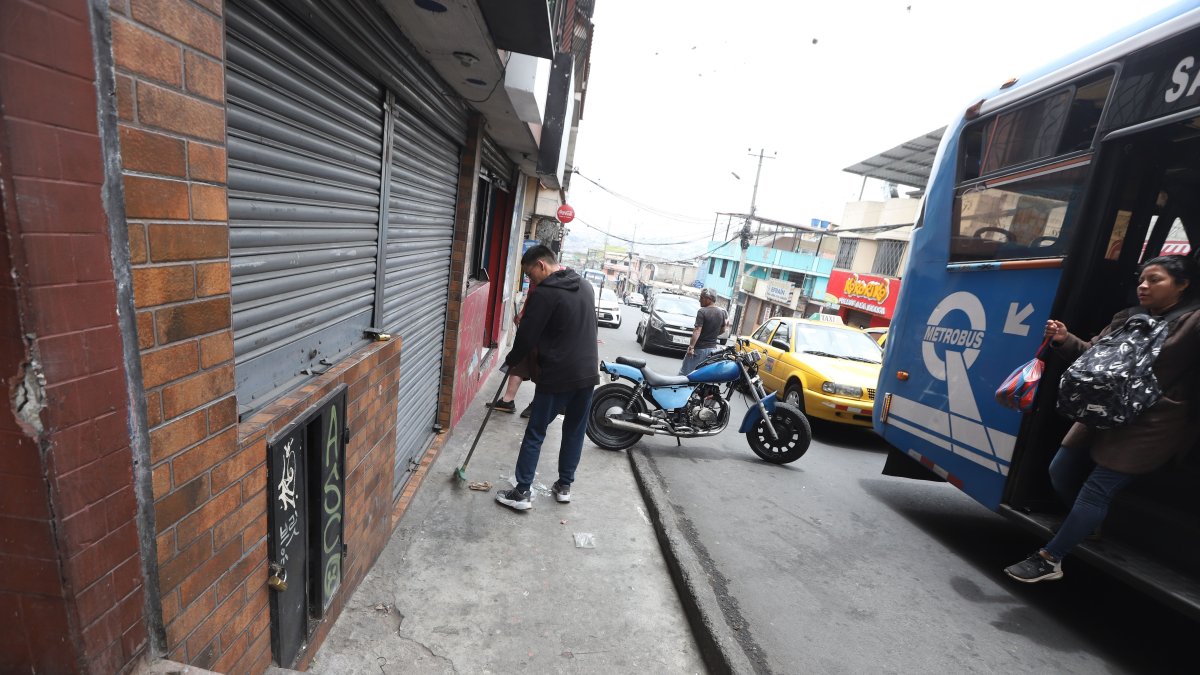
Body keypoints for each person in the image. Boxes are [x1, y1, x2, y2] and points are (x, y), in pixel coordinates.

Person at [1004, 254, 1200, 583]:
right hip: (1102, 410)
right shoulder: (1129, 317)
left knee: (1096, 490)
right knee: (1060, 469)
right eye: (1142, 279)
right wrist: (1064, 339)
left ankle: (1050, 559)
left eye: (1155, 280)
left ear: (1182, 285)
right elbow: (1090, 354)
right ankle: (1088, 524)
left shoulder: (1192, 323)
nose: (1143, 286)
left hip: (1151, 423)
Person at [495, 245, 599, 511]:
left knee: (535, 432)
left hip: (557, 374)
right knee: (574, 431)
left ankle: (521, 492)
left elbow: (527, 336)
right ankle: (564, 486)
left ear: (541, 265)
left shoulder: (545, 293)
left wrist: (512, 360)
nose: (531, 281)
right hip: (587, 374)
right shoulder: (585, 286)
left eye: (530, 275)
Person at [486, 281, 538, 418]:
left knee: (540, 365)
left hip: (543, 331)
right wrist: (523, 313)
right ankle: (507, 401)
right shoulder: (539, 280)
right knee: (519, 360)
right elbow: (531, 296)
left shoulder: (549, 282)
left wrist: (523, 314)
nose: (529, 276)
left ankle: (537, 404)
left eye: (530, 273)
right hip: (532, 327)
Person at [679, 288, 729, 375]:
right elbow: (723, 330)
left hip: (699, 349)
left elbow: (697, 330)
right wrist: (712, 334)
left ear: (708, 299)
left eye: (701, 298)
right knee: (701, 375)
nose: (699, 300)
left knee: (684, 373)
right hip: (712, 350)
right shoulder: (721, 313)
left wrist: (691, 347)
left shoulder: (702, 312)